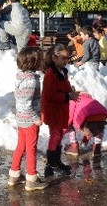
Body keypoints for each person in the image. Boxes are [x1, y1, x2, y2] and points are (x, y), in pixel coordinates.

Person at [8, 47, 48, 191]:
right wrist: (36, 118)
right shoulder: (31, 80)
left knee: (21, 146)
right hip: (29, 121)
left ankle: (14, 175)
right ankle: (32, 179)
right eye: (40, 59)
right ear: (34, 62)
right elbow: (26, 103)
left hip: (21, 118)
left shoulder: (21, 76)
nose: (43, 61)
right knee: (31, 148)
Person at [41, 44, 81, 176]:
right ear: (54, 57)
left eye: (67, 58)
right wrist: (68, 95)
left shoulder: (63, 72)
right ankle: (50, 164)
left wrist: (71, 91)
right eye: (63, 58)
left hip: (62, 108)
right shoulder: (50, 74)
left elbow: (65, 87)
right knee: (55, 135)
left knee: (60, 134)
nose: (66, 61)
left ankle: (56, 161)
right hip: (53, 110)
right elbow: (51, 95)